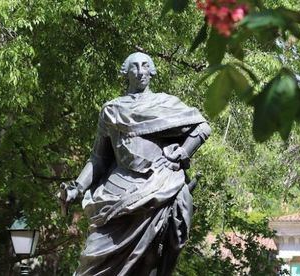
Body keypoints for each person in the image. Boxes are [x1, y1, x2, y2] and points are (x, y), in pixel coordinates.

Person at [61, 52, 211, 276]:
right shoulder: (111, 110)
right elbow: (98, 158)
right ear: (126, 72)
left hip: (158, 186)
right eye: (134, 67)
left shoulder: (166, 104)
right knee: (91, 259)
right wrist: (78, 187)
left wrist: (182, 152)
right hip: (117, 192)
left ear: (152, 71)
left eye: (144, 66)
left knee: (157, 250)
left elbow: (202, 128)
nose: (140, 71)